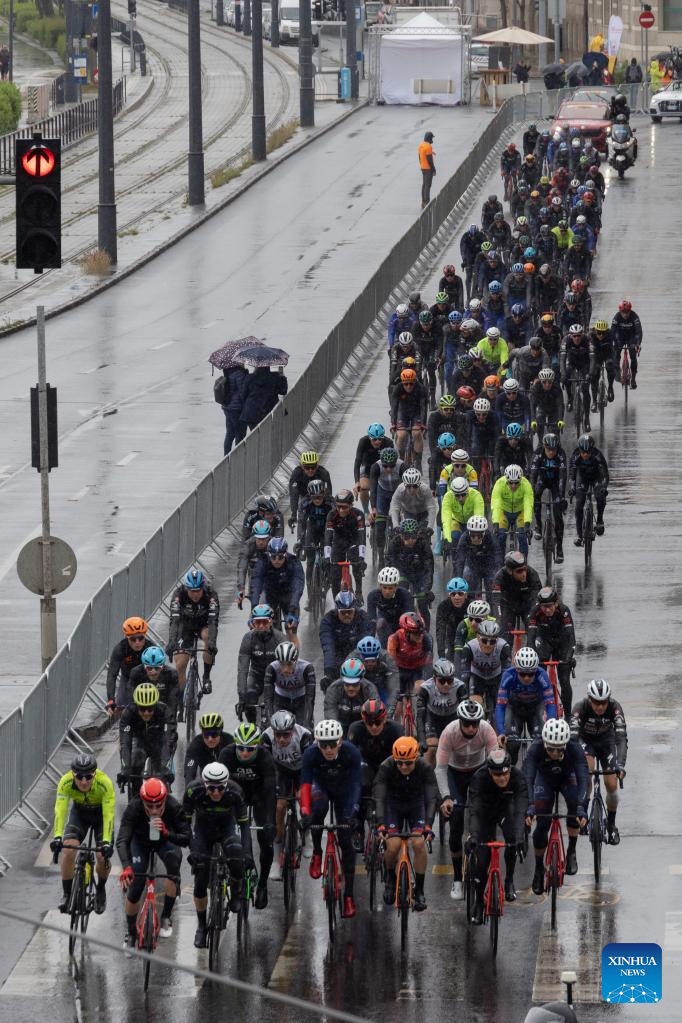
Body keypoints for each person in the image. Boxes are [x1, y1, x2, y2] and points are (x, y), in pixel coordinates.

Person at [183, 762, 253, 944]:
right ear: (204, 784)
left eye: (220, 788)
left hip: (227, 828)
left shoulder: (235, 791)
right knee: (200, 880)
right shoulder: (193, 791)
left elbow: (244, 825)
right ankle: (201, 926)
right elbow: (185, 824)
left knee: (237, 858)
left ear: (226, 784)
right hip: (203, 831)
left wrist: (247, 853)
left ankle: (236, 890)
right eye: (211, 788)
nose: (216, 792)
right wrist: (192, 850)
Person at [300, 719, 363, 918]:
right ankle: (318, 852)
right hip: (322, 787)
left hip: (345, 792)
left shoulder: (351, 752)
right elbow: (305, 785)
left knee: (346, 841)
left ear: (340, 741)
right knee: (318, 809)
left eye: (332, 744)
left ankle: (349, 897)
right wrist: (305, 811)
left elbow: (356, 786)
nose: (328, 749)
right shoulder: (311, 754)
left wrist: (353, 813)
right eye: (323, 745)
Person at [436, 700, 498, 899]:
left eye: (475, 724)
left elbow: (495, 762)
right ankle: (456, 879)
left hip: (478, 772)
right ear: (460, 721)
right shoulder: (449, 732)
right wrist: (446, 797)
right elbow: (441, 769)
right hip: (455, 774)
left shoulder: (486, 730)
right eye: (467, 724)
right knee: (456, 819)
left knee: (482, 815)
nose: (471, 728)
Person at [117, 777, 190, 945]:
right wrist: (126, 866)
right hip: (139, 843)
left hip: (165, 840)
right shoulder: (134, 808)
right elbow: (122, 840)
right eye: (149, 806)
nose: (154, 810)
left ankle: (166, 917)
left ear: (165, 800)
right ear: (142, 801)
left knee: (173, 866)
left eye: (158, 805)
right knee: (136, 884)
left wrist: (167, 833)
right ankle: (131, 933)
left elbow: (186, 838)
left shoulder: (174, 807)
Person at [373, 735, 439, 911]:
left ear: (416, 758)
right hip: (392, 806)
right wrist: (380, 824)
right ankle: (390, 879)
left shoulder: (425, 767)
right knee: (393, 845)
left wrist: (428, 825)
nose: (403, 767)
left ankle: (419, 891)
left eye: (408, 763)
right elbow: (379, 797)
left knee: (418, 843)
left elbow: (432, 798)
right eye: (399, 762)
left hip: (416, 805)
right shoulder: (386, 767)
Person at [524, 718, 588, 892]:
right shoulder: (536, 748)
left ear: (565, 745)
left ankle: (572, 850)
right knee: (542, 823)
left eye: (559, 749)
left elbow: (583, 778)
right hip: (544, 779)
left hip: (567, 777)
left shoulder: (574, 748)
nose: (554, 752)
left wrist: (582, 808)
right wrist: (529, 806)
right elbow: (528, 779)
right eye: (550, 748)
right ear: (544, 743)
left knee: (575, 806)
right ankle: (538, 868)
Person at [466, 748, 528, 921]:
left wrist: (520, 837)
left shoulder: (517, 776)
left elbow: (521, 810)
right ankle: (478, 902)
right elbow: (475, 812)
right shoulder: (479, 778)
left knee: (513, 839)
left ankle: (509, 880)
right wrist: (474, 836)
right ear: (489, 772)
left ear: (510, 769)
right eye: (497, 775)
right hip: (483, 813)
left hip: (504, 809)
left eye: (505, 774)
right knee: (482, 861)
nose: (502, 778)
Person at [219, 724, 277, 909]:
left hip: (259, 795)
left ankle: (262, 884)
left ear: (257, 747)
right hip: (236, 796)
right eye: (241, 748)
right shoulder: (226, 754)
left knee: (265, 838)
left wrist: (270, 822)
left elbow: (270, 793)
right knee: (236, 833)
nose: (244, 753)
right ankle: (244, 865)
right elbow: (220, 788)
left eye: (250, 749)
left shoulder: (265, 757)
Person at [51, 754, 115, 915]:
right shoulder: (65, 782)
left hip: (100, 816)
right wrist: (57, 836)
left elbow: (108, 815)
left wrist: (107, 842)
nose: (84, 781)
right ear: (73, 774)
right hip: (80, 814)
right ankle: (66, 893)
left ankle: (100, 889)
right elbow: (60, 810)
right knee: (68, 850)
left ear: (95, 774)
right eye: (79, 777)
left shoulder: (104, 783)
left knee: (102, 856)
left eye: (88, 776)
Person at [569, 678, 628, 845]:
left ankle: (611, 825)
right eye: (596, 702)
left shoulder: (615, 708)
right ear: (589, 699)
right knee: (586, 772)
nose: (600, 706)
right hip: (585, 741)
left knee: (611, 784)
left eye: (603, 702)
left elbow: (621, 738)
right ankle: (584, 814)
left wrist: (621, 765)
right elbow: (572, 741)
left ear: (608, 700)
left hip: (606, 742)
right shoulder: (579, 709)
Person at [262, 709, 313, 868]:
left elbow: (310, 764)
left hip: (301, 770)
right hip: (279, 770)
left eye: (286, 735)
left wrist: (302, 790)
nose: (282, 739)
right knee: (279, 807)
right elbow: (267, 766)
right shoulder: (266, 737)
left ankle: (306, 833)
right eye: (278, 735)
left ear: (293, 730)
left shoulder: (304, 735)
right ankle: (277, 857)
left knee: (304, 801)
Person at [496, 647, 557, 764]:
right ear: (516, 670)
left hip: (535, 709)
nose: (527, 678)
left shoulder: (542, 675)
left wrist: (550, 729)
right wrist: (501, 732)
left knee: (540, 743)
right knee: (512, 745)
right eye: (523, 674)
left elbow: (550, 705)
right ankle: (512, 772)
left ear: (536, 670)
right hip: (514, 708)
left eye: (530, 674)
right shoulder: (508, 675)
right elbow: (500, 706)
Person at [348, 699, 403, 824]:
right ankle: (358, 823)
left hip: (388, 762)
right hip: (366, 763)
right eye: (369, 723)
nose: (373, 727)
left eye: (377, 722)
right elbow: (351, 756)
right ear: (363, 721)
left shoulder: (396, 729)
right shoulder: (355, 729)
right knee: (361, 780)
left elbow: (402, 756)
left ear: (384, 719)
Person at [167, 569, 219, 696]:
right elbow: (174, 621)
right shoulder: (178, 595)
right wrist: (171, 642)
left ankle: (206, 677)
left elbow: (213, 622)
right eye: (192, 591)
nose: (195, 594)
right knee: (180, 664)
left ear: (203, 588)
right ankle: (180, 701)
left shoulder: (211, 595)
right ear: (186, 588)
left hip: (204, 625)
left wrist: (212, 643)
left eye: (198, 590)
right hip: (185, 627)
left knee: (208, 637)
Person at [526, 587, 576, 715]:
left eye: (550, 606)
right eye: (544, 607)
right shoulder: (535, 611)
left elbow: (571, 637)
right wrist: (532, 657)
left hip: (562, 643)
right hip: (545, 642)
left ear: (556, 603)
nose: (547, 610)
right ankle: (537, 711)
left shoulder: (564, 611)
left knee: (564, 681)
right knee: (537, 675)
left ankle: (568, 716)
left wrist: (569, 657)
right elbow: (530, 638)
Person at [236, 603, 287, 723]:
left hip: (276, 676)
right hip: (256, 675)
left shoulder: (280, 639)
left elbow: (288, 666)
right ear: (252, 623)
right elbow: (243, 669)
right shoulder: (248, 638)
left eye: (264, 622)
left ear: (271, 622)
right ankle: (253, 727)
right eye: (257, 623)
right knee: (249, 697)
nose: (261, 626)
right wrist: (241, 697)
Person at [118, 682, 173, 784]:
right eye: (142, 709)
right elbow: (125, 743)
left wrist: (166, 768)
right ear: (136, 705)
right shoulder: (128, 713)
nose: (146, 713)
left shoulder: (164, 711)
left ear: (155, 705)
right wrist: (125, 769)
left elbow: (168, 742)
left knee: (161, 770)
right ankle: (135, 794)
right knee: (135, 764)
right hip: (138, 739)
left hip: (159, 740)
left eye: (150, 708)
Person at [416, 658, 467, 765]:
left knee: (458, 748)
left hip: (452, 718)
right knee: (431, 747)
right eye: (442, 681)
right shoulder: (425, 689)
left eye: (450, 680)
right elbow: (420, 716)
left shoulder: (460, 687)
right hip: (433, 718)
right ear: (434, 679)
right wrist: (421, 739)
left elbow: (465, 714)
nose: (446, 685)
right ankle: (429, 777)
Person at [319, 591, 375, 688]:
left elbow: (366, 643)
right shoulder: (328, 620)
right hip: (337, 656)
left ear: (355, 610)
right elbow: (328, 647)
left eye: (350, 612)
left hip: (359, 656)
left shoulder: (363, 617)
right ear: (337, 610)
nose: (347, 615)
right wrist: (328, 671)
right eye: (343, 612)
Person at [460, 619, 512, 721]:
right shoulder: (469, 647)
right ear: (478, 637)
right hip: (477, 676)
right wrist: (465, 695)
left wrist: (504, 692)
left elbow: (507, 673)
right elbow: (465, 674)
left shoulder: (503, 647)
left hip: (496, 677)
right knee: (474, 707)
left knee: (501, 708)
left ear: (497, 640)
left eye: (492, 641)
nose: (488, 645)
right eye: (484, 640)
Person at [250, 536, 305, 629]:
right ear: (268, 554)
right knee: (261, 625)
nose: (276, 560)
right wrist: (254, 609)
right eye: (273, 557)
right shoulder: (263, 561)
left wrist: (292, 611)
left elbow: (297, 587)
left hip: (288, 595)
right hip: (270, 594)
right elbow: (256, 584)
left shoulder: (294, 562)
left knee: (291, 630)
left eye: (280, 557)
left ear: (285, 554)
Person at [529, 432, 568, 563]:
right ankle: (539, 526)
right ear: (544, 447)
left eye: (554, 450)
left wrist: (562, 496)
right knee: (536, 496)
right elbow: (533, 475)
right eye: (548, 449)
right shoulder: (538, 453)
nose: (551, 452)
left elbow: (563, 476)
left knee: (557, 514)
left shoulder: (561, 454)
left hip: (556, 483)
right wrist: (531, 492)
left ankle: (560, 549)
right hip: (543, 480)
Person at [324, 489, 367, 604]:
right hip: (339, 542)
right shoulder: (332, 515)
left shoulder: (358, 515)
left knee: (357, 563)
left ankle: (358, 591)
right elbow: (328, 536)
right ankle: (337, 603)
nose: (341, 510)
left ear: (351, 505)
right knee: (335, 576)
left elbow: (362, 538)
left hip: (354, 541)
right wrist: (327, 557)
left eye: (345, 507)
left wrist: (362, 558)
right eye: (339, 507)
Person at [106, 617, 154, 716]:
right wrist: (111, 700)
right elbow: (112, 674)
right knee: (121, 710)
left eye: (141, 638)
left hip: (147, 679)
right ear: (127, 637)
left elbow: (162, 672)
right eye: (133, 639)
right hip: (127, 678)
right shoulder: (120, 649)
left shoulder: (151, 648)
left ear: (145, 636)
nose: (137, 642)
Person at [262, 641, 316, 728]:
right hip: (280, 700)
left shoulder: (307, 668)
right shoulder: (271, 668)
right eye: (282, 664)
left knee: (305, 730)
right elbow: (268, 698)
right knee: (275, 728)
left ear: (296, 660)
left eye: (289, 664)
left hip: (301, 701)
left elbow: (310, 699)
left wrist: (307, 722)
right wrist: (270, 720)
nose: (285, 669)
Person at [568, 433, 609, 546]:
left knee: (600, 496)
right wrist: (572, 487)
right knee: (579, 504)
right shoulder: (575, 455)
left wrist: (604, 487)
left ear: (592, 450)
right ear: (579, 450)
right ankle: (579, 535)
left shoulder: (598, 455)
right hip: (582, 478)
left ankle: (599, 519)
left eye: (588, 452)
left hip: (596, 477)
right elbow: (572, 474)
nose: (585, 454)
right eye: (583, 452)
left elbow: (605, 474)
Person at [493, 550, 542, 642]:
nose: (523, 574)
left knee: (534, 629)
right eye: (519, 571)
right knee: (504, 634)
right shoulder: (500, 576)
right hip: (508, 605)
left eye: (525, 569)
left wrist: (531, 616)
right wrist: (498, 618)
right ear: (509, 571)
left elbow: (537, 600)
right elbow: (496, 602)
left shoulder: (532, 574)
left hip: (527, 605)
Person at [323, 657, 379, 736]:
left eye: (355, 684)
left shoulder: (370, 689)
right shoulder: (333, 689)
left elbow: (374, 716)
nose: (351, 688)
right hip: (340, 726)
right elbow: (330, 714)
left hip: (363, 727)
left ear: (361, 680)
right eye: (347, 684)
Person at [128, 646, 181, 725]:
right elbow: (132, 698)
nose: (153, 672)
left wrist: (171, 725)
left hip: (164, 705)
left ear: (163, 667)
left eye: (157, 668)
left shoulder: (171, 674)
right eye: (149, 668)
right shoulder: (136, 672)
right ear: (144, 666)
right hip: (143, 706)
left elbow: (173, 701)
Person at [490, 463, 534, 559]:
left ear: (521, 480)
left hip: (520, 512)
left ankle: (523, 564)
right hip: (504, 512)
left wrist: (527, 524)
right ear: (506, 480)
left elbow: (528, 505)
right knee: (500, 537)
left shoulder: (526, 485)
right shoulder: (499, 484)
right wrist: (495, 524)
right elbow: (496, 504)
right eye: (510, 483)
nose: (513, 486)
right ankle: (500, 563)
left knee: (522, 536)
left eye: (516, 483)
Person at [367, 566, 414, 648]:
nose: (387, 591)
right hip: (385, 625)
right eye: (384, 588)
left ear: (396, 587)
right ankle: (386, 650)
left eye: (390, 588)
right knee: (379, 622)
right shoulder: (373, 596)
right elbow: (371, 621)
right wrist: (369, 643)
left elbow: (409, 618)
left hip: (401, 624)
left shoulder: (405, 594)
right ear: (380, 586)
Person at [184, 712, 234, 786]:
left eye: (214, 735)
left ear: (220, 733)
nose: (210, 739)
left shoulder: (230, 741)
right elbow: (189, 771)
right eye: (206, 735)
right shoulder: (196, 743)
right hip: (206, 777)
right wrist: (189, 788)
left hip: (227, 777)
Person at [288, 450, 332, 525]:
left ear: (317, 465)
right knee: (302, 517)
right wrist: (294, 514)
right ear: (302, 466)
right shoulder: (296, 474)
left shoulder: (323, 473)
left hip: (319, 496)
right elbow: (294, 495)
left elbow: (328, 493)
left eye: (313, 467)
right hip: (304, 495)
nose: (310, 470)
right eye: (307, 468)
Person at [239, 365, 288, 433]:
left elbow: (242, 395)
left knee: (255, 435)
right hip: (268, 412)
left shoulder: (250, 377)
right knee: (268, 435)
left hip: (252, 412)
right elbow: (283, 391)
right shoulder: (275, 377)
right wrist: (282, 376)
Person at [236, 519, 271, 607]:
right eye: (259, 538)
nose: (261, 542)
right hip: (254, 577)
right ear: (254, 536)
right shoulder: (248, 545)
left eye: (264, 538)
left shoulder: (273, 544)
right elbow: (242, 568)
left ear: (269, 537)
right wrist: (241, 588)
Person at [216, 364, 249, 455]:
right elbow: (243, 392)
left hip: (227, 407)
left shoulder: (228, 371)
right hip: (237, 408)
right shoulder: (239, 374)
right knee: (240, 433)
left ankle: (226, 456)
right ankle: (238, 457)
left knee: (230, 433)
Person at [435, 577, 470, 662]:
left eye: (460, 594)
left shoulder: (471, 605)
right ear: (449, 595)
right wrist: (441, 655)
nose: (456, 597)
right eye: (453, 594)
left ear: (466, 595)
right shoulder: (444, 606)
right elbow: (440, 631)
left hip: (468, 635)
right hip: (452, 636)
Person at [611, 299, 642, 390]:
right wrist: (612, 343)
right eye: (623, 312)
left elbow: (639, 331)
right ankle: (617, 372)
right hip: (619, 337)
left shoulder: (634, 316)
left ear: (630, 311)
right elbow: (612, 331)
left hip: (631, 337)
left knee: (633, 356)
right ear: (620, 311)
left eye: (627, 312)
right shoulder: (617, 317)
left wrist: (637, 344)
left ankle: (633, 379)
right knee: (616, 353)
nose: (625, 314)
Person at [418, 131, 436, 209]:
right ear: (429, 138)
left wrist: (422, 165)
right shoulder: (428, 146)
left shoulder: (421, 145)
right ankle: (427, 202)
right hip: (428, 169)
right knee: (428, 185)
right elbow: (430, 160)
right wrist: (434, 169)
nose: (432, 139)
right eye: (431, 138)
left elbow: (419, 157)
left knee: (424, 185)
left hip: (423, 168)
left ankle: (423, 202)